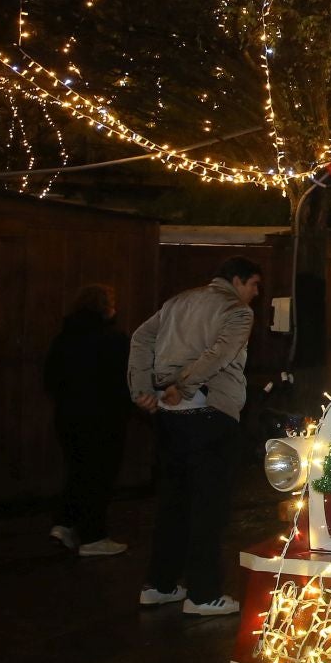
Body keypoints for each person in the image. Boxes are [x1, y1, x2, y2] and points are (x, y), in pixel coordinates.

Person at [127, 258, 262, 616]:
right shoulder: (237, 312)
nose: (256, 294)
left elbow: (141, 337)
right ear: (237, 280)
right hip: (211, 412)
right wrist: (183, 386)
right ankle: (203, 594)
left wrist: (142, 388)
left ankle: (160, 584)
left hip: (171, 418)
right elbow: (218, 355)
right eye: (254, 285)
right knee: (209, 508)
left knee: (173, 503)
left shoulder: (177, 302)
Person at [46, 284, 132, 557]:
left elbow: (50, 378)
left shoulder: (64, 337)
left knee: (76, 472)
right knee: (99, 477)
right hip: (103, 419)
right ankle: (93, 536)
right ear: (105, 308)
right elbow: (125, 381)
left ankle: (65, 524)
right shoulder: (114, 340)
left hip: (68, 416)